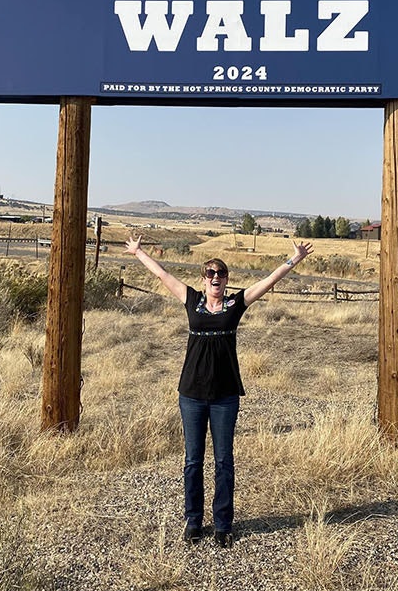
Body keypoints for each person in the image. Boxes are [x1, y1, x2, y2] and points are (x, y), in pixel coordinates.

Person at [124, 234, 315, 548]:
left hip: (225, 395)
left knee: (224, 461)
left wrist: (295, 259)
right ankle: (193, 522)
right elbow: (162, 274)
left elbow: (268, 280)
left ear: (227, 279)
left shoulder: (235, 304)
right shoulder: (191, 300)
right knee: (192, 461)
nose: (216, 277)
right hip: (192, 394)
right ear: (203, 279)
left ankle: (224, 524)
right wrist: (138, 252)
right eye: (210, 273)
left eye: (221, 273)